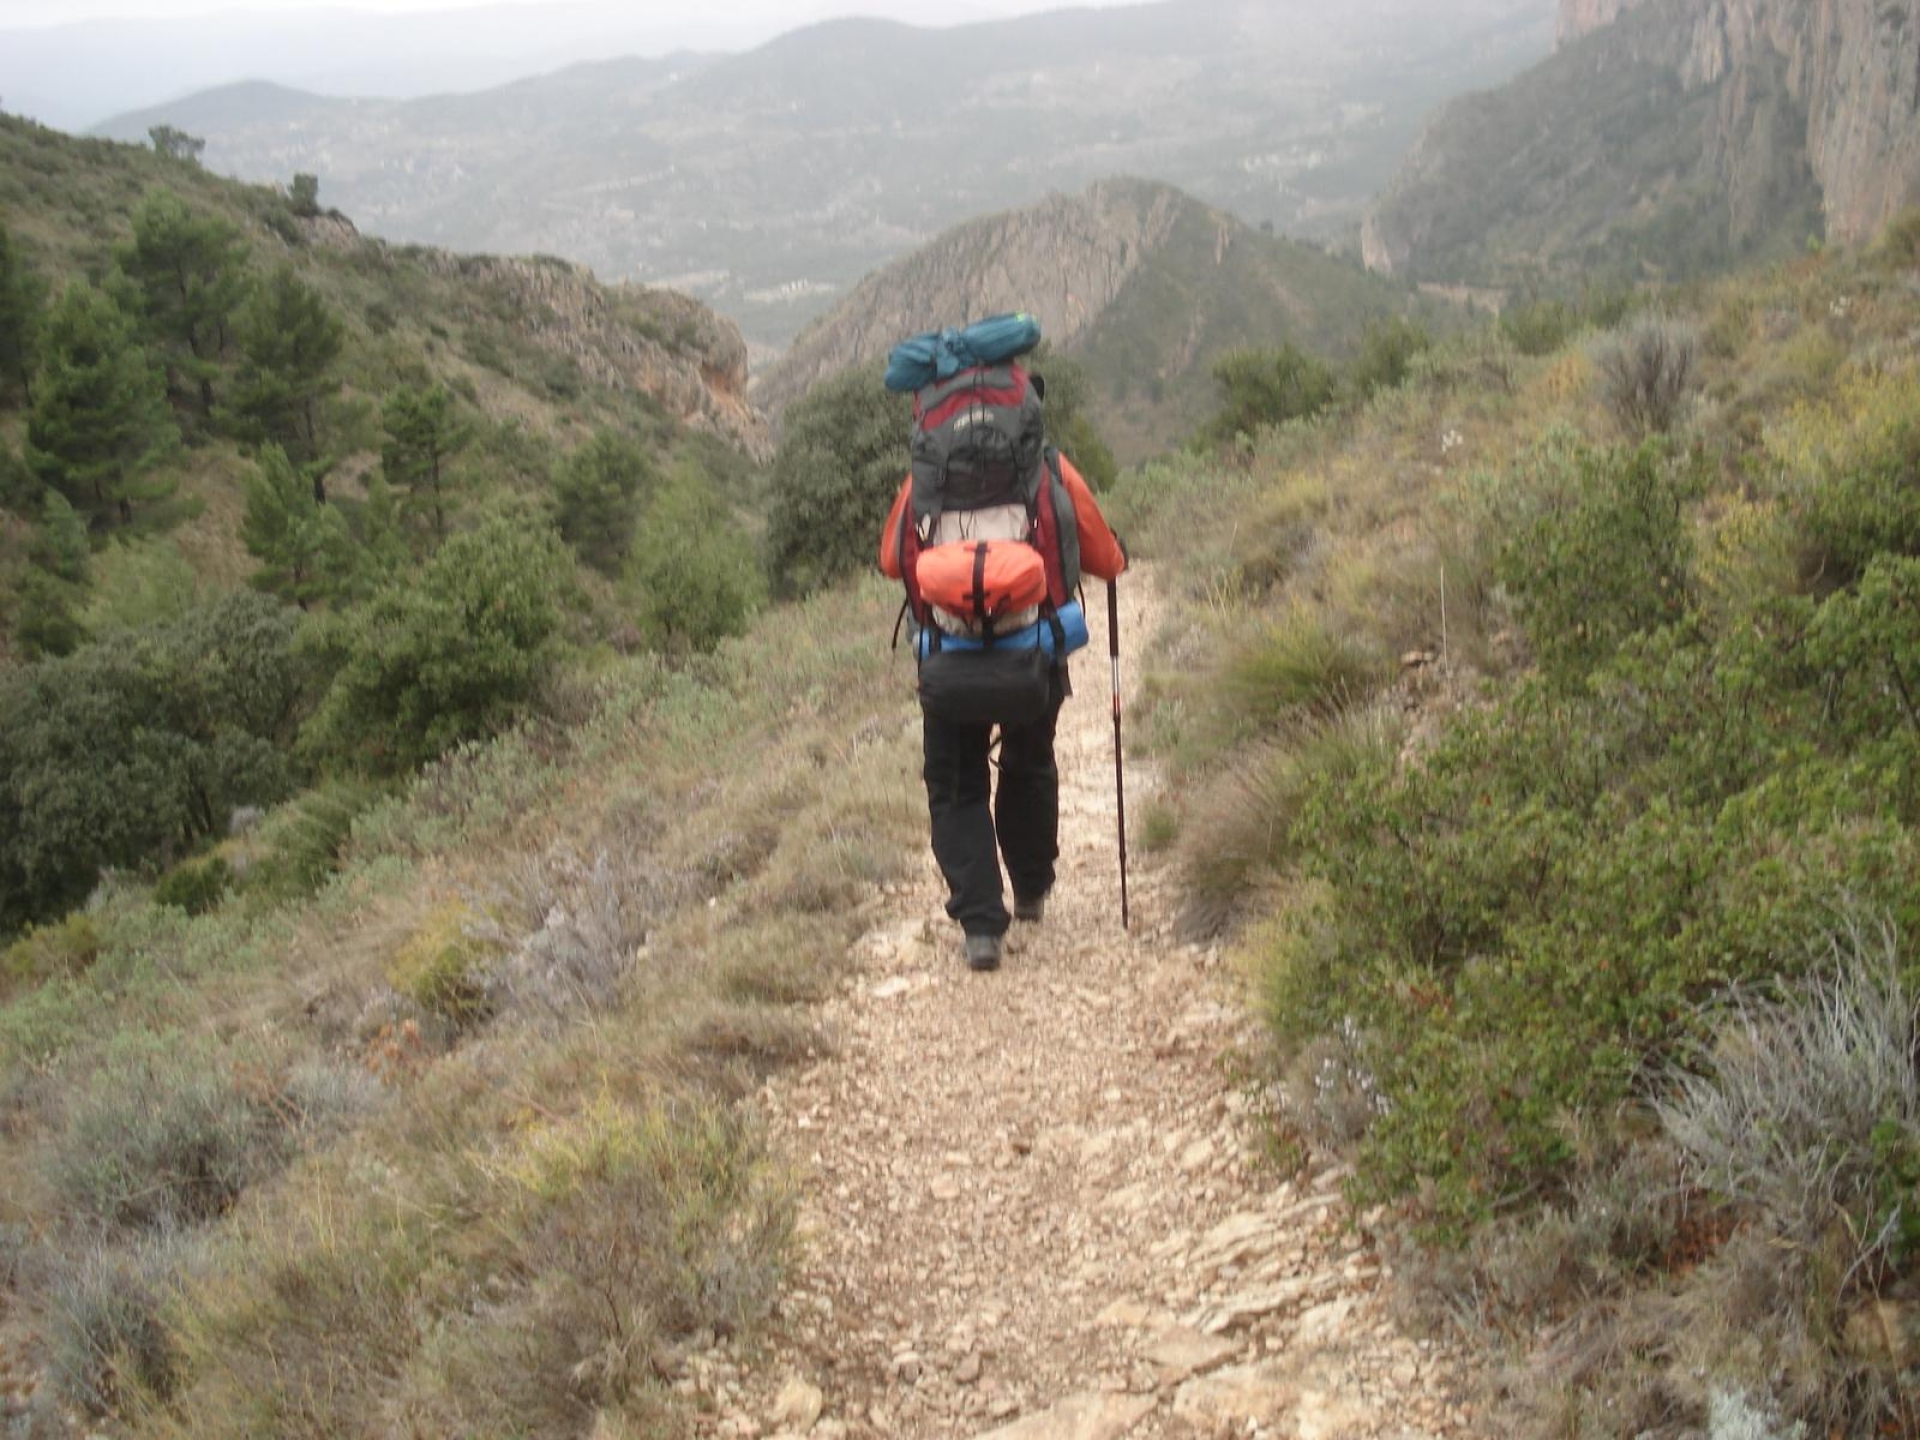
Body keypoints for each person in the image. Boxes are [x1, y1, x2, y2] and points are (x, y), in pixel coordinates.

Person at [877, 440, 1127, 972]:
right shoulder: (1049, 465)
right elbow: (1105, 558)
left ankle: (982, 927)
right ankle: (1031, 888)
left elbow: (889, 561)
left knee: (957, 783)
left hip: (949, 661)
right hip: (1032, 656)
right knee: (1029, 762)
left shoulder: (926, 474)